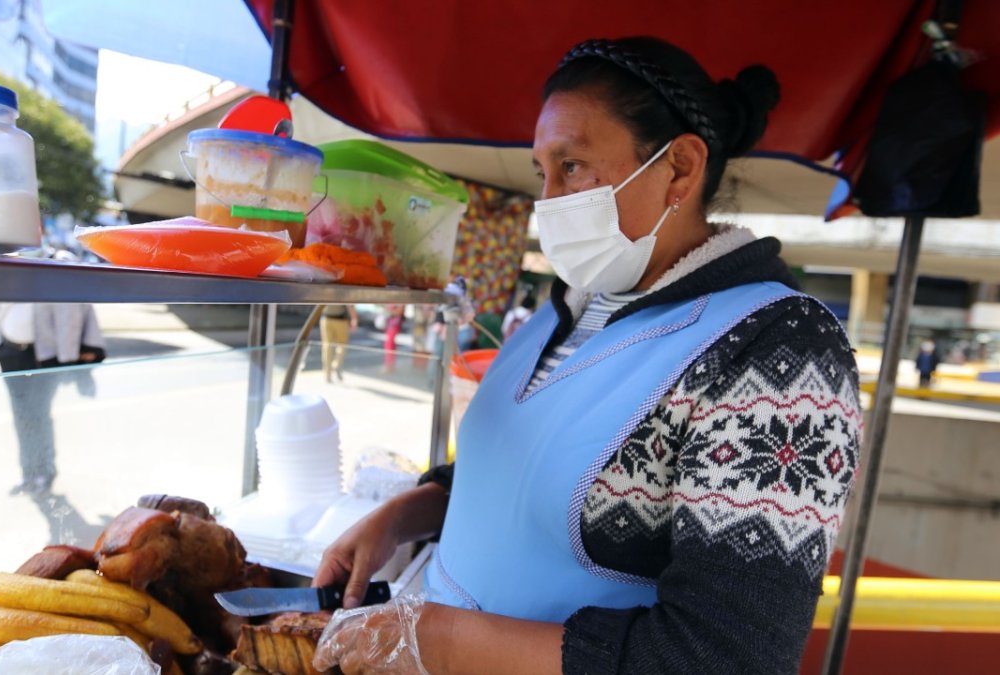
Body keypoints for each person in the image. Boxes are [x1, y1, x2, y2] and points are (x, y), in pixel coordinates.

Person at [311, 36, 862, 675]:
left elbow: (727, 657)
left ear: (680, 168)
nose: (549, 200)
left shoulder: (777, 349)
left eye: (573, 166)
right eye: (541, 172)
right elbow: (526, 476)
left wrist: (437, 636)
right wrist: (403, 515)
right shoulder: (567, 309)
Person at [0, 301, 105, 497]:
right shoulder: (7, 273)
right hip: (11, 352)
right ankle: (28, 473)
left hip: (45, 353)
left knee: (39, 414)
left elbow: (78, 305)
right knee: (21, 415)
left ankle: (44, 472)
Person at [320, 304, 359, 382]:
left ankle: (328, 373)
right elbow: (350, 304)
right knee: (341, 345)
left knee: (328, 347)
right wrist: (354, 318)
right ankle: (336, 366)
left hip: (327, 318)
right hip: (339, 319)